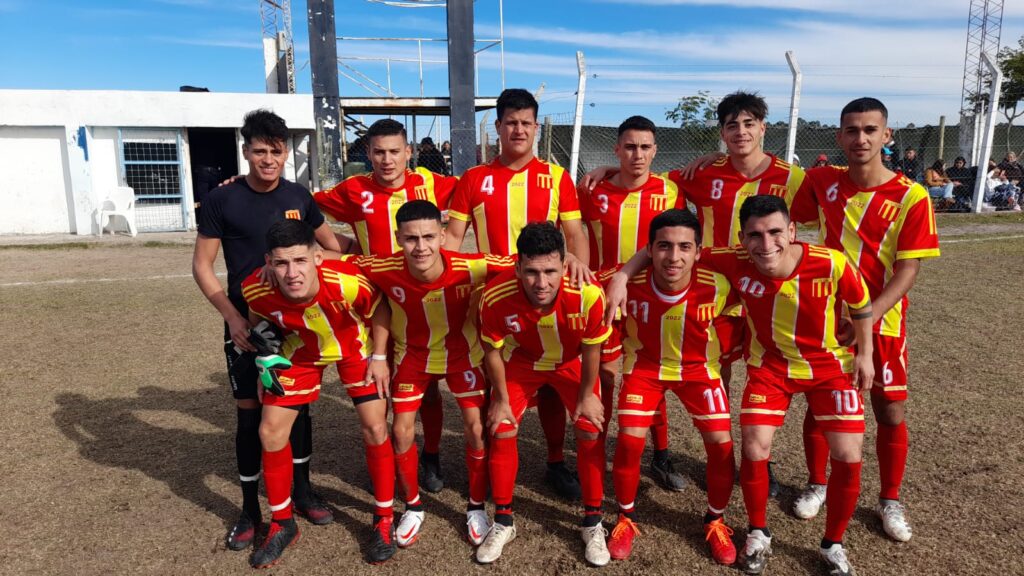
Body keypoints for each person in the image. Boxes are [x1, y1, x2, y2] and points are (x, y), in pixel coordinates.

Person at [605, 196, 875, 575]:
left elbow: (861, 304)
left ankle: (832, 544)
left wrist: (866, 353)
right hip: (769, 367)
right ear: (742, 239)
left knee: (848, 455)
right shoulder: (731, 260)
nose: (766, 244)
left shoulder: (831, 262)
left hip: (829, 368)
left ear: (792, 231)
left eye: (775, 232)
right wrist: (621, 275)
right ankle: (757, 532)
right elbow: (667, 248)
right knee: (751, 446)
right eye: (755, 236)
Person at [583, 91, 810, 496]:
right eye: (731, 125)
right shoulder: (699, 175)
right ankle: (691, 457)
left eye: (748, 124)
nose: (740, 132)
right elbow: (640, 175)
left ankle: (761, 461)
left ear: (763, 127)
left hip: (764, 291)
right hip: (710, 291)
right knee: (698, 370)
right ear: (721, 132)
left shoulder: (793, 178)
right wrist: (608, 167)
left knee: (765, 376)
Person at [790, 97, 941, 546]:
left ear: (886, 135)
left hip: (883, 323)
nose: (861, 138)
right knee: (822, 405)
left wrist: (866, 316)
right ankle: (817, 483)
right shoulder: (821, 181)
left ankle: (890, 498)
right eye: (852, 130)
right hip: (828, 321)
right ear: (839, 137)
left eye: (870, 130)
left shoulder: (911, 196)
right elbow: (776, 198)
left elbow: (908, 270)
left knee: (889, 409)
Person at [191, 109, 340, 552]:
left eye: (276, 151)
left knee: (298, 408)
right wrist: (233, 317)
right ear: (246, 151)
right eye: (260, 151)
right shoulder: (222, 199)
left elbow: (331, 248)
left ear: (285, 152)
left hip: (294, 324)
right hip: (248, 323)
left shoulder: (298, 195)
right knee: (249, 411)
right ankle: (248, 511)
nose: (268, 159)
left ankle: (303, 491)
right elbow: (202, 266)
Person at [444, 88, 593, 500]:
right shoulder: (474, 179)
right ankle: (491, 462)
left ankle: (555, 462)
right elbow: (453, 238)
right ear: (497, 126)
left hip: (546, 296)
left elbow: (574, 234)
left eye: (526, 123)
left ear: (537, 127)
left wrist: (578, 274)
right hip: (494, 300)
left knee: (551, 377)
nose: (519, 130)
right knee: (496, 382)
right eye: (511, 122)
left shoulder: (557, 177)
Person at [355, 200, 515, 550]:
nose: (421, 247)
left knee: (476, 428)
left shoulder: (471, 266)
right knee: (400, 430)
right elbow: (331, 263)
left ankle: (475, 506)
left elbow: (525, 263)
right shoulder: (383, 266)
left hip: (463, 355)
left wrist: (572, 261)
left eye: (429, 237)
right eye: (411, 238)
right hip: (413, 356)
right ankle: (413, 506)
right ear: (398, 238)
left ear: (443, 236)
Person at [313, 118, 458, 493]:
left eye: (395, 151)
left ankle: (431, 456)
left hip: (419, 306)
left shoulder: (431, 183)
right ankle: (390, 458)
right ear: (368, 153)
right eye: (379, 152)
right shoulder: (354, 188)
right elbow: (304, 205)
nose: (387, 160)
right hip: (374, 304)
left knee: (426, 388)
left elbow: (475, 193)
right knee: (379, 382)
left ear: (408, 152)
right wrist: (337, 247)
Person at [240, 219, 391, 567]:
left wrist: (381, 357)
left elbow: (380, 307)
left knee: (375, 427)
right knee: (270, 431)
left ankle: (383, 518)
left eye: (300, 260)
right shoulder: (255, 289)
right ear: (268, 262)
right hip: (301, 351)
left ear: (318, 258)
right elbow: (258, 316)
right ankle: (282, 523)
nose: (292, 273)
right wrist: (264, 356)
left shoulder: (347, 282)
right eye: (281, 263)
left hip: (354, 348)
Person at [600, 209, 740, 566]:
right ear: (649, 249)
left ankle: (715, 520)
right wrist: (606, 271)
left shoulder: (720, 285)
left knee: (722, 446)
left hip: (699, 370)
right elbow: (574, 281)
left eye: (684, 247)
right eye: (664, 246)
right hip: (645, 368)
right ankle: (626, 517)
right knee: (629, 441)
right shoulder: (628, 282)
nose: (674, 257)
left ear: (698, 251)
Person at [476, 222, 611, 566]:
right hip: (524, 361)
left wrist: (587, 395)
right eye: (532, 272)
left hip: (570, 361)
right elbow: (492, 351)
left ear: (564, 266)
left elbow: (592, 349)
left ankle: (593, 522)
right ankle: (503, 521)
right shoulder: (495, 296)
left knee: (589, 427)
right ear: (517, 267)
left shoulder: (588, 293)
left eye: (550, 271)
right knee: (501, 426)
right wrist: (501, 399)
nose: (541, 283)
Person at [578, 115, 685, 491]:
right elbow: (572, 231)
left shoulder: (670, 191)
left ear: (655, 151)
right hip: (604, 298)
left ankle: (661, 455)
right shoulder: (593, 189)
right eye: (629, 147)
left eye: (644, 147)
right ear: (617, 149)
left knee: (652, 376)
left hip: (651, 299)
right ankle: (600, 455)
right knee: (606, 377)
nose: (637, 154)